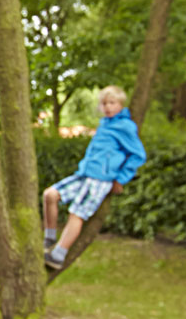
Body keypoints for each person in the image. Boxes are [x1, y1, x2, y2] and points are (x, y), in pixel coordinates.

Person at [42, 85, 146, 271]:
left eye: (112, 103)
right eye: (104, 103)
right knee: (50, 195)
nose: (107, 107)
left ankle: (58, 255)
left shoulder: (125, 127)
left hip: (101, 179)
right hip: (84, 174)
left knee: (77, 213)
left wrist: (120, 178)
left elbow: (138, 155)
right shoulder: (104, 124)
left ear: (120, 104)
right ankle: (49, 238)